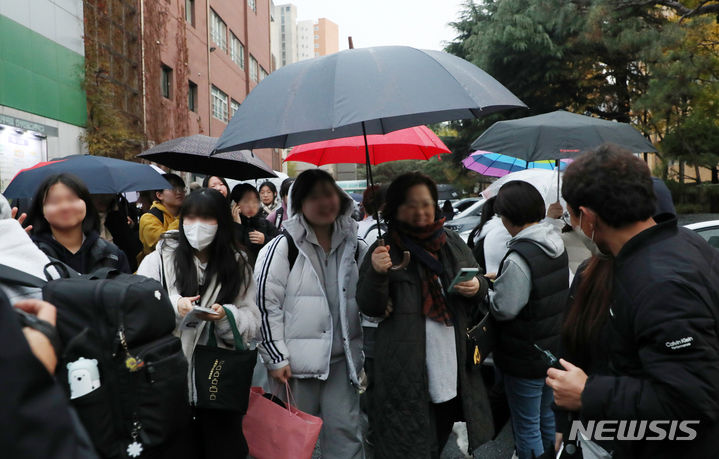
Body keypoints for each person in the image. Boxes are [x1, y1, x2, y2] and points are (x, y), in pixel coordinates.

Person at [547, 145, 719, 458]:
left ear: (586, 217)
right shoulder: (680, 243)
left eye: (571, 216)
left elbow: (690, 404)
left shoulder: (659, 284)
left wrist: (589, 393)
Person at [357, 172, 494, 459]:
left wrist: (475, 286)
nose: (420, 211)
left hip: (450, 360)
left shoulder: (452, 242)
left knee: (440, 428)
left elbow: (480, 283)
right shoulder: (384, 249)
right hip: (404, 364)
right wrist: (378, 273)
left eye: (426, 203)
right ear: (395, 207)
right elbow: (368, 305)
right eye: (411, 204)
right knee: (408, 439)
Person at [137, 188, 260, 459]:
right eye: (190, 218)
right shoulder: (159, 258)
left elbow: (253, 319)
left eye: (207, 218)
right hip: (169, 381)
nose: (197, 226)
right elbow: (138, 306)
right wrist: (174, 305)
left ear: (222, 222)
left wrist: (227, 316)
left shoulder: (238, 263)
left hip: (219, 383)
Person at [254, 169, 367, 459]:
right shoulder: (282, 247)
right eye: (314, 196)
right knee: (289, 446)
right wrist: (275, 357)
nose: (324, 202)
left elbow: (371, 297)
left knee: (347, 439)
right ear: (300, 204)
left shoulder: (355, 245)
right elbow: (265, 305)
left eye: (328, 194)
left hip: (342, 365)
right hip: (294, 370)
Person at [488, 180, 569, 459]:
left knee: (527, 428)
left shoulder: (519, 256)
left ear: (508, 216)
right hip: (550, 351)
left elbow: (505, 309)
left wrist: (488, 292)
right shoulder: (554, 243)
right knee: (547, 419)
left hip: (524, 355)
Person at [26, 174, 130, 274]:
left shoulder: (112, 255)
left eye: (72, 199)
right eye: (54, 201)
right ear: (41, 210)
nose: (65, 207)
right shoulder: (30, 254)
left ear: (87, 204)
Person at [92, 194, 143, 272]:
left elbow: (128, 246)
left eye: (106, 196)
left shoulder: (117, 215)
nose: (102, 199)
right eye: (97, 196)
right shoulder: (83, 220)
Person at [139, 173, 186, 257]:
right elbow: (162, 243)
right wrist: (182, 219)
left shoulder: (188, 215)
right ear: (159, 195)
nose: (179, 192)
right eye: (173, 188)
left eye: (181, 188)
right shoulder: (148, 218)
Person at [230, 183, 278, 265]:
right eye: (245, 201)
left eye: (255, 201)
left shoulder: (265, 223)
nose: (251, 206)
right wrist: (237, 226)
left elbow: (280, 242)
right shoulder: (228, 225)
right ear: (235, 205)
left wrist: (265, 240)